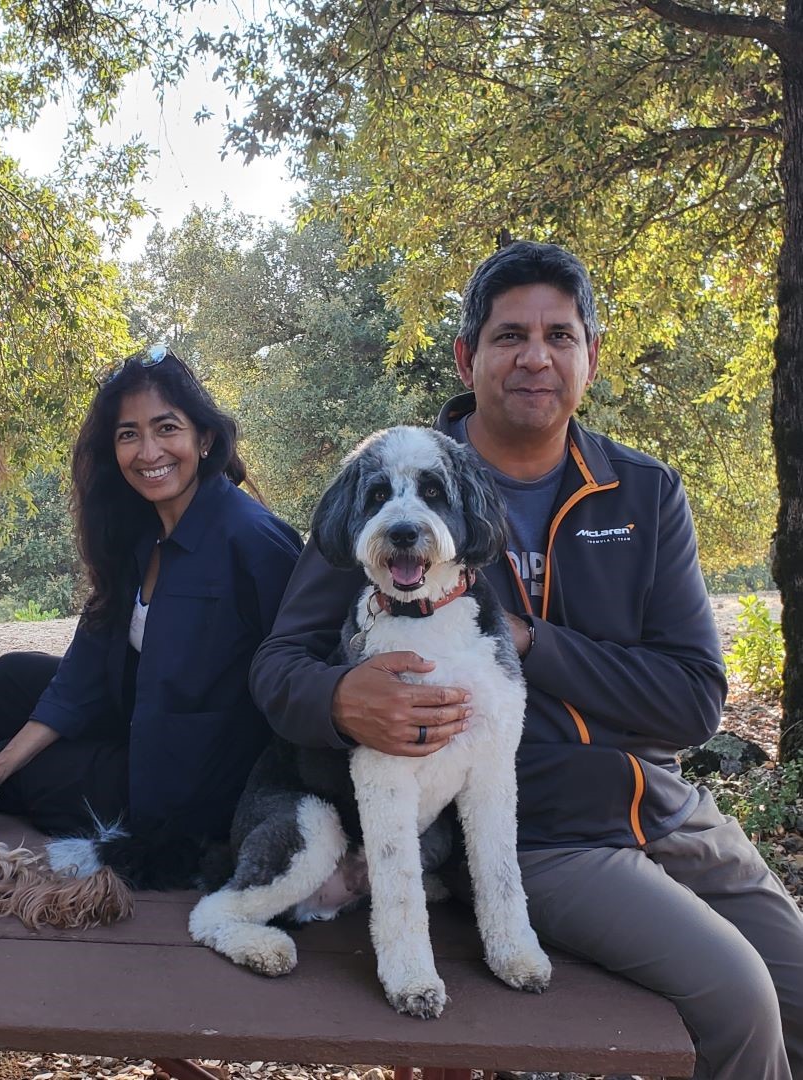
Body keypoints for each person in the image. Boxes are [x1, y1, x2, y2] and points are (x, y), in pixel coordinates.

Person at [250, 240, 803, 1080]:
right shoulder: (393, 486)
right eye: (510, 336)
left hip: (662, 805)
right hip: (536, 833)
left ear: (591, 355)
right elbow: (279, 666)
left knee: (798, 988)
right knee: (739, 999)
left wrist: (530, 643)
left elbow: (693, 699)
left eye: (559, 335)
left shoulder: (643, 492)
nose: (536, 357)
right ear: (468, 356)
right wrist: (341, 699)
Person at [0, 346, 303, 853]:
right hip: (140, 714)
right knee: (7, 680)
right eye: (129, 434)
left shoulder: (253, 538)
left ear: (205, 437)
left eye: (166, 428)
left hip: (195, 768)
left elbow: (297, 674)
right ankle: (64, 765)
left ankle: (97, 784)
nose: (148, 452)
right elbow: (81, 672)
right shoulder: (137, 532)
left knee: (30, 780)